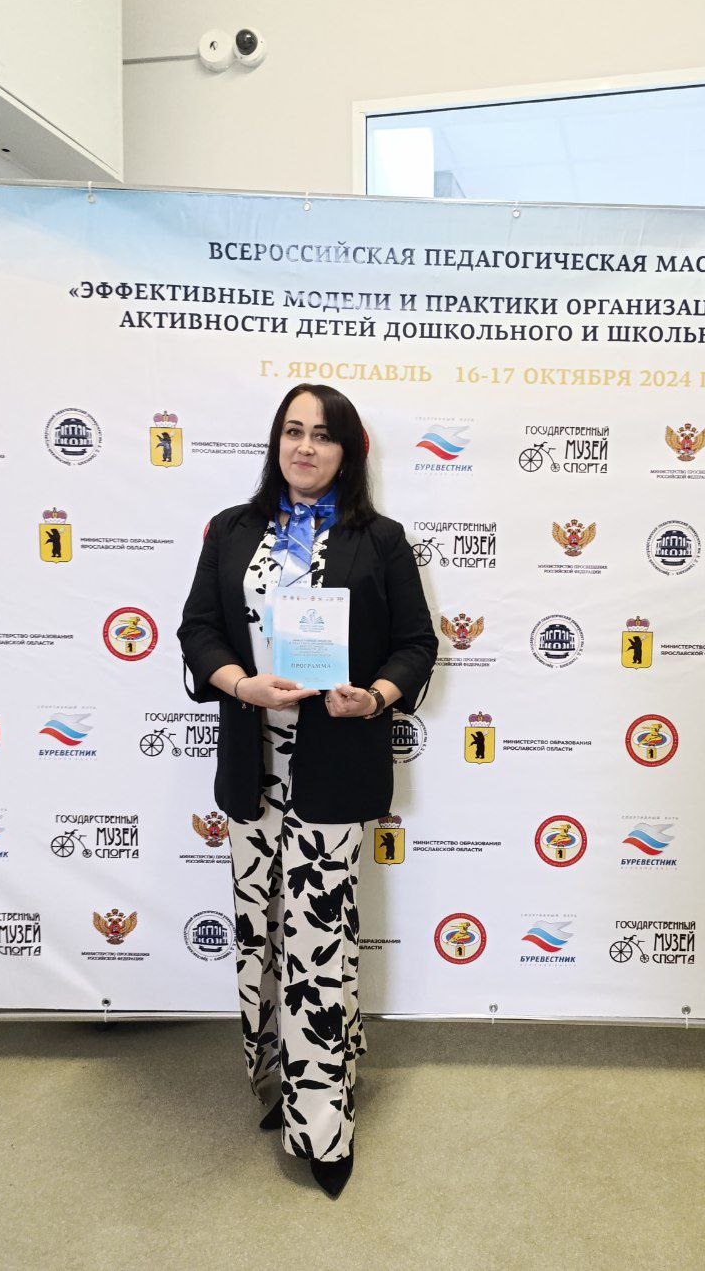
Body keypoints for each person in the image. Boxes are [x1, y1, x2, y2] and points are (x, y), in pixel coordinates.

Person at [177, 383, 437, 1197]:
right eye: (293, 431)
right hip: (252, 764)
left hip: (335, 763)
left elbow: (415, 645)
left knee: (319, 940)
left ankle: (323, 1128)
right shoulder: (232, 529)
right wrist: (238, 683)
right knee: (259, 933)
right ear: (275, 443)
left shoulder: (380, 539)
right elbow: (197, 628)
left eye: (323, 435)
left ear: (347, 452)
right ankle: (274, 1084)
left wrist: (377, 698)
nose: (305, 447)